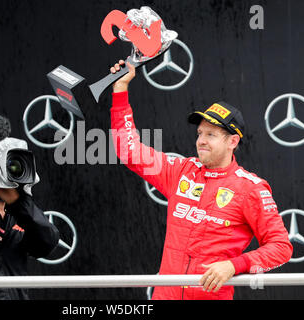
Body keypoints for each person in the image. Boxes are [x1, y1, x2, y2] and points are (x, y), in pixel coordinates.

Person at [109, 60, 293, 300]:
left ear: (233, 142)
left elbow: (281, 247)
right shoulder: (181, 171)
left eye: (211, 134)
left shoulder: (250, 188)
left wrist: (234, 265)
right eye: (199, 133)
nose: (201, 141)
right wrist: (120, 89)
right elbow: (128, 150)